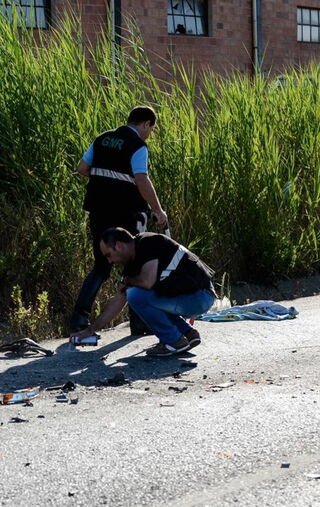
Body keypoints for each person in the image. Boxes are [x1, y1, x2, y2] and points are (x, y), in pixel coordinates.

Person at [70, 105, 168, 334]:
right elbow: (142, 180)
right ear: (146, 124)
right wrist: (158, 210)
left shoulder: (102, 139)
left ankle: (78, 320)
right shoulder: (138, 145)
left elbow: (82, 168)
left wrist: (105, 181)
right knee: (135, 266)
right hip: (127, 212)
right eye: (150, 129)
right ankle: (139, 322)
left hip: (98, 211)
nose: (149, 134)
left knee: (101, 266)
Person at [70, 227, 215, 356]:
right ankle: (188, 332)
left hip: (200, 296)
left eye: (108, 255)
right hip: (188, 297)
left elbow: (147, 282)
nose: (109, 261)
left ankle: (174, 341)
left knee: (136, 295)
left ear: (119, 245)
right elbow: (118, 300)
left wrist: (127, 281)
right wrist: (91, 330)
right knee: (142, 295)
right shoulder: (131, 263)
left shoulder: (148, 243)